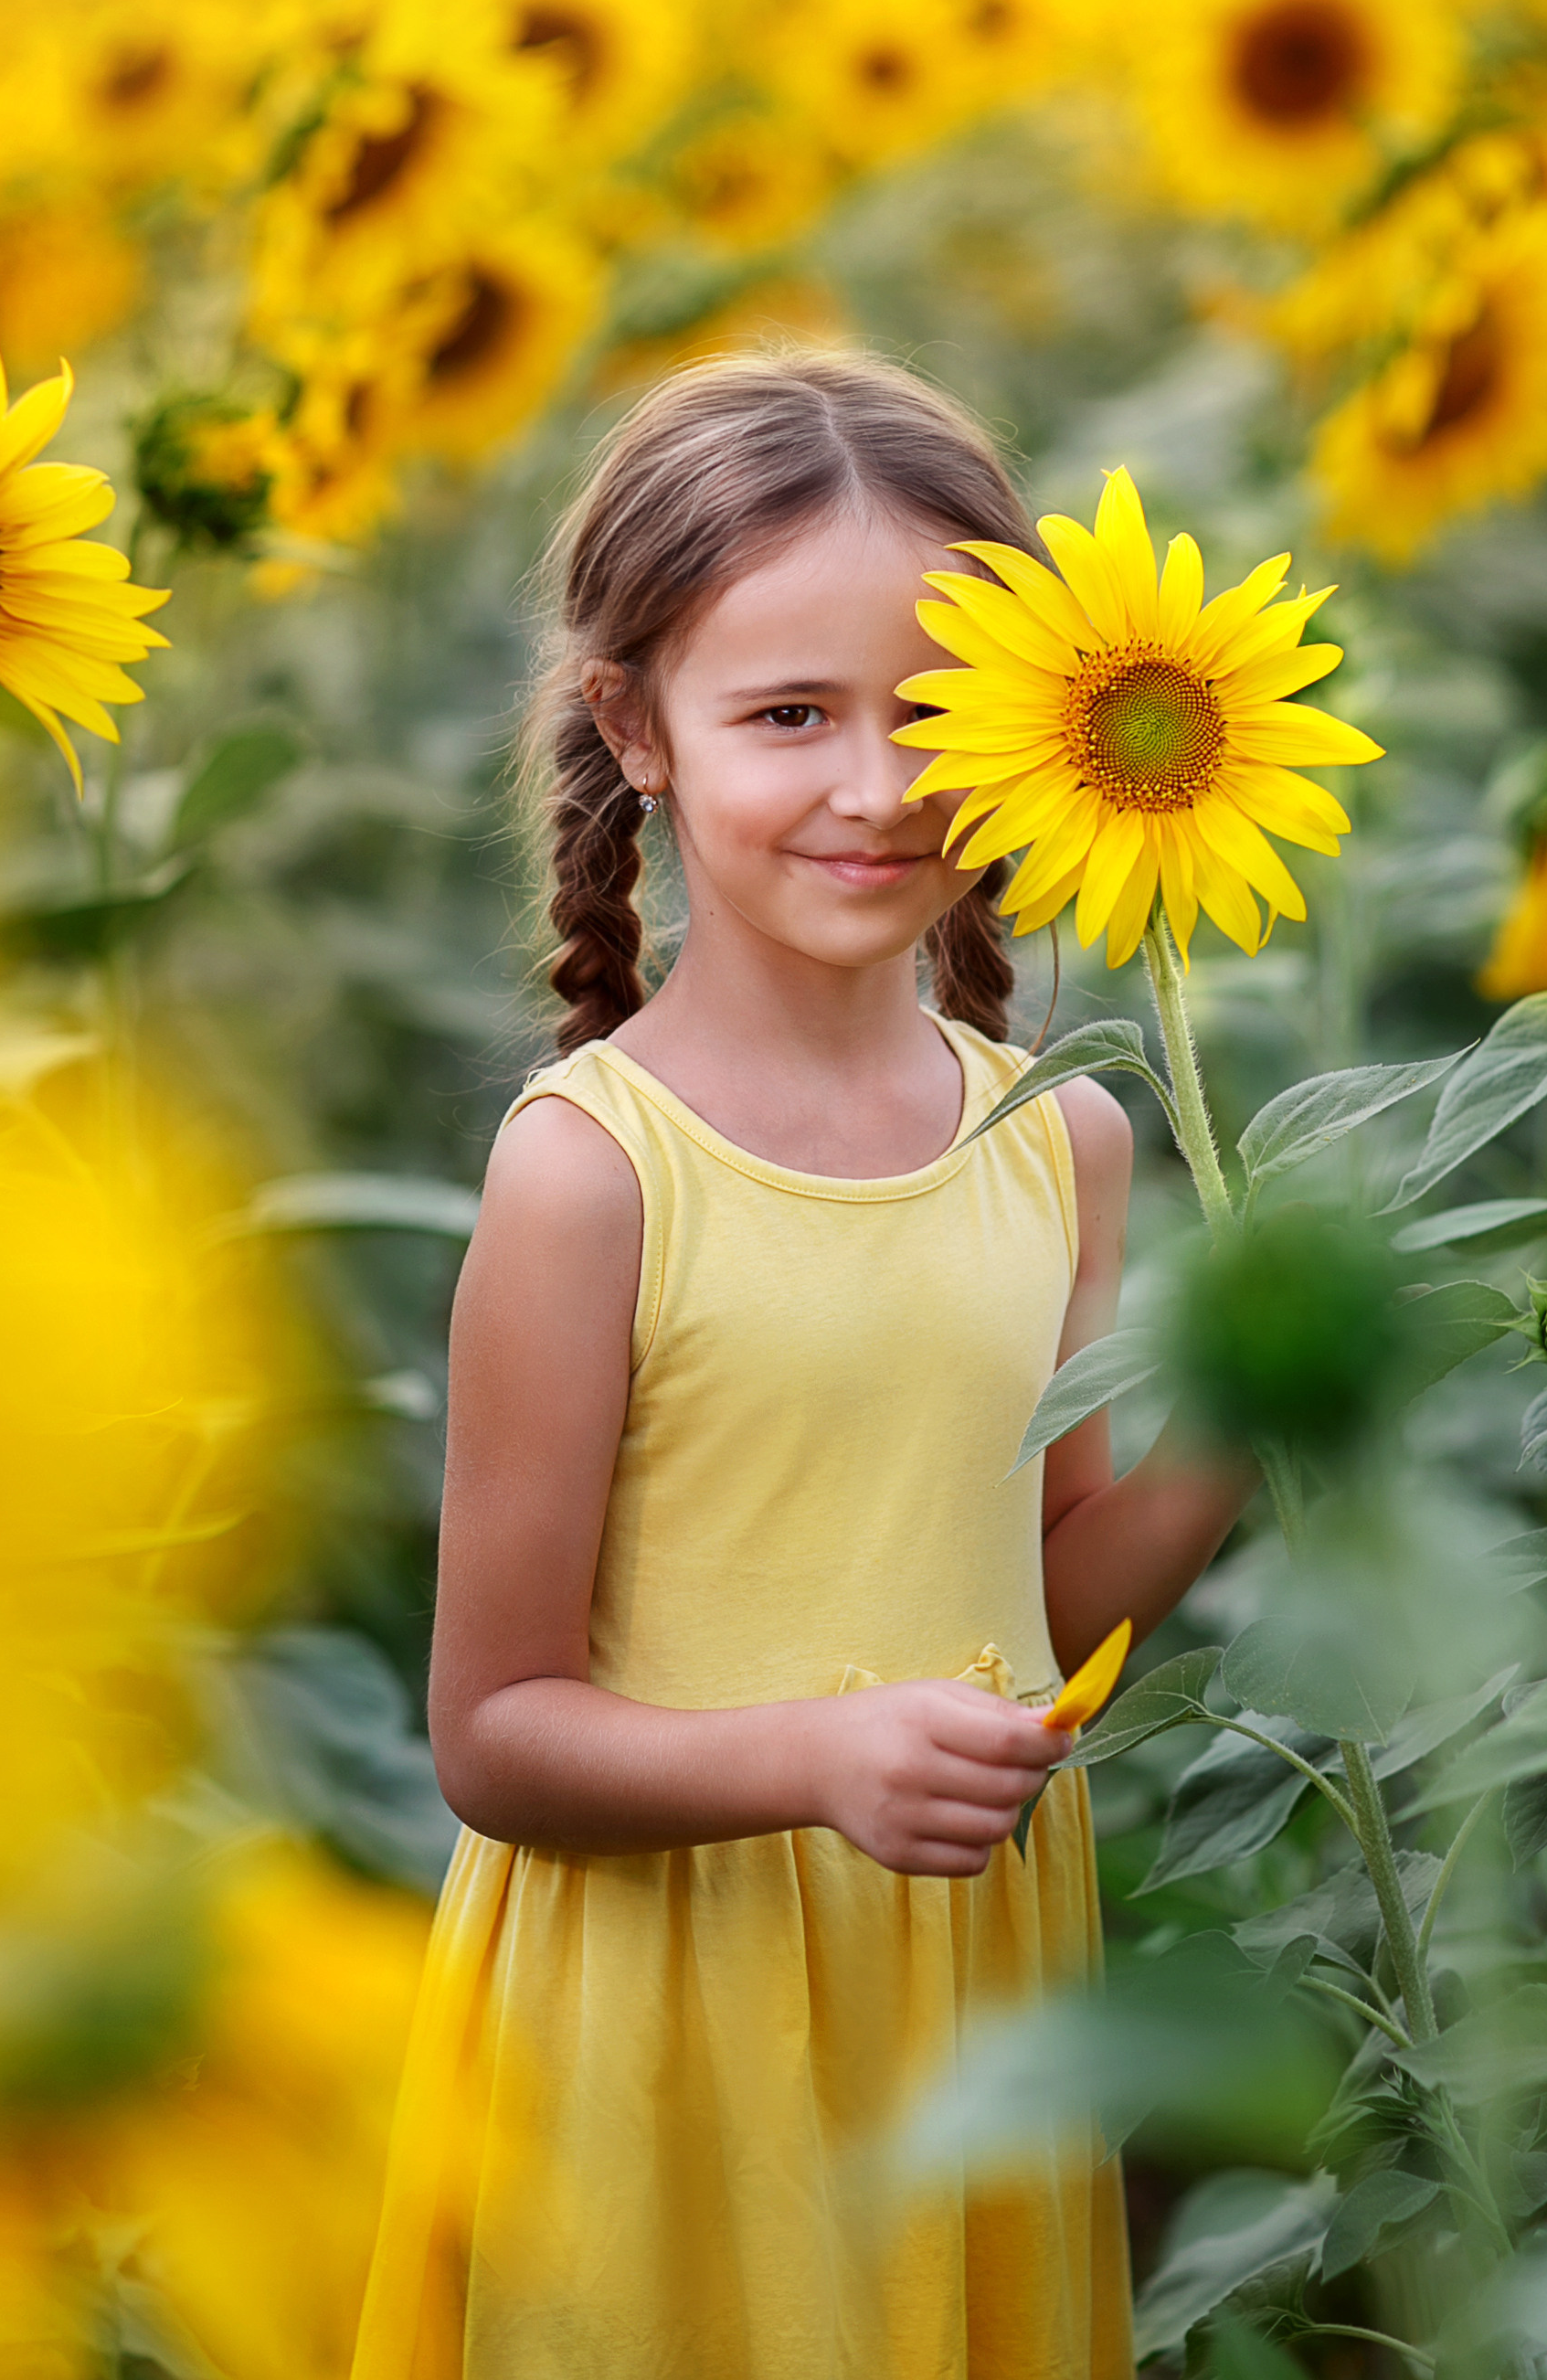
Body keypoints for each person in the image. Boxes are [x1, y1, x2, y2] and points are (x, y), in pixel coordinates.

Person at [350, 348, 1248, 2380]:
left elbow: (1051, 1592)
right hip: (672, 2023)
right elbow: (493, 1731)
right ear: (635, 729)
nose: (877, 787)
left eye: (933, 714)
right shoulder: (593, 1175)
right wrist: (820, 1763)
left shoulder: (1067, 1137)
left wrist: (1247, 1432)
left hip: (969, 2002)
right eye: (788, 715)